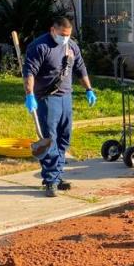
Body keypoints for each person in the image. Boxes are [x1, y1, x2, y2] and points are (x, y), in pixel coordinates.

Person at [23, 17, 97, 197]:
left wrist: (89, 89)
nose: (65, 38)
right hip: (47, 99)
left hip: (66, 97)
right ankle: (50, 181)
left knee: (64, 138)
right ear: (52, 30)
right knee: (50, 140)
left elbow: (80, 68)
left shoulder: (71, 46)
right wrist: (30, 95)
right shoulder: (40, 47)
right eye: (62, 35)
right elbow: (29, 72)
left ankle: (57, 175)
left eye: (68, 35)